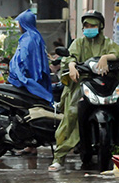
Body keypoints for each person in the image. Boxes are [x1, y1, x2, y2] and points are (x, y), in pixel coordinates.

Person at [49, 10, 119, 172]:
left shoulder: (107, 43)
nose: (89, 28)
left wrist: (106, 57)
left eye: (93, 25)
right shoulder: (79, 43)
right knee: (72, 113)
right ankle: (59, 157)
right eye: (86, 25)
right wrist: (72, 66)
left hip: (105, 84)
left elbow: (117, 52)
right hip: (83, 83)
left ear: (100, 26)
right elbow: (70, 57)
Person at [8, 9, 53, 103]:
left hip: (27, 81)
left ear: (24, 23)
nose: (19, 26)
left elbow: (23, 59)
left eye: (20, 23)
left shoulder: (27, 38)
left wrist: (19, 73)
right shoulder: (36, 36)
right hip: (37, 78)